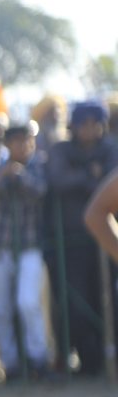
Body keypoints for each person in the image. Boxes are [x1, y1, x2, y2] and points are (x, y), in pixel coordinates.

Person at [0, 122, 53, 377]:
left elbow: (42, 191)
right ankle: (10, 364)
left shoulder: (39, 165)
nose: (25, 146)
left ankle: (38, 359)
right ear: (7, 144)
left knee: (28, 302)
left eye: (28, 140)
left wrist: (17, 175)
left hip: (29, 246)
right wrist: (4, 175)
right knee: (0, 310)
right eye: (19, 140)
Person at [47, 102, 118, 376]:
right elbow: (58, 180)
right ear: (73, 126)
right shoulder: (60, 149)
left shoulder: (110, 148)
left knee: (108, 301)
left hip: (106, 239)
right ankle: (89, 362)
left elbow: (107, 181)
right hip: (70, 242)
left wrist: (79, 176)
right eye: (83, 124)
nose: (89, 130)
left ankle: (108, 357)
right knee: (77, 303)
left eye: (94, 123)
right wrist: (90, 173)